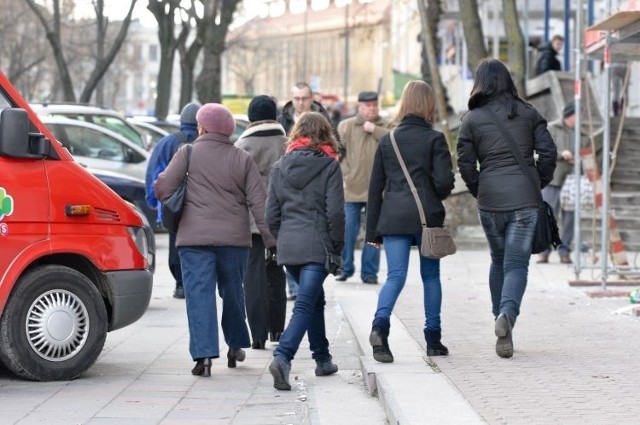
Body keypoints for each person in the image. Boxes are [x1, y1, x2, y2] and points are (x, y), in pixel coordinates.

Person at [154, 103, 275, 377]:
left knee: (199, 295)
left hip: (194, 240)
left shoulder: (188, 152)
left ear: (202, 127)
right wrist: (271, 241)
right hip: (234, 240)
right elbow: (259, 201)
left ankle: (204, 356)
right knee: (233, 292)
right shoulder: (242, 157)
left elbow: (163, 187)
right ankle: (235, 345)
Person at [457, 58, 557, 358]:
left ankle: (501, 323)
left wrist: (479, 188)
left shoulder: (471, 120)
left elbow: (464, 163)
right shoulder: (528, 113)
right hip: (524, 199)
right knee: (516, 265)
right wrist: (538, 181)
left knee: (498, 261)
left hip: (490, 202)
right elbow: (548, 153)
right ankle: (507, 316)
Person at [365, 81, 455, 363]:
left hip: (392, 217)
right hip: (425, 217)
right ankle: (433, 339)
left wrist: (372, 233)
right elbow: (443, 184)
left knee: (395, 276)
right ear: (428, 105)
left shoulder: (387, 140)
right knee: (430, 276)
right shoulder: (435, 139)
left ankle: (380, 328)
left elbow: (375, 187)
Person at [265, 111, 345, 391]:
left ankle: (322, 359)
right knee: (304, 304)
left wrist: (282, 239)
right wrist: (337, 246)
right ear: (326, 135)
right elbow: (335, 213)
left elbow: (271, 215)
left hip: (289, 247)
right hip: (317, 246)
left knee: (314, 300)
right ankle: (283, 357)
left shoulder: (279, 167)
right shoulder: (330, 167)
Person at [235, 95, 288, 348]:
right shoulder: (286, 144)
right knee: (277, 272)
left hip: (250, 220)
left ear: (250, 118)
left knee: (253, 276)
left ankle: (256, 335)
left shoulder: (242, 146)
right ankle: (277, 330)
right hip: (282, 218)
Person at [277, 82, 331, 300]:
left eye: (304, 98)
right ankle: (297, 288)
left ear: (312, 98)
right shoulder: (283, 121)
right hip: (290, 182)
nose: (300, 102)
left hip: (319, 181)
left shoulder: (323, 119)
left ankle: (309, 288)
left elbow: (336, 147)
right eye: (296, 98)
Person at [145, 102, 200, 299]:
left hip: (173, 205)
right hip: (202, 205)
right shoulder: (205, 142)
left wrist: (152, 200)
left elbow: (153, 173)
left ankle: (180, 284)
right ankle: (197, 281)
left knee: (176, 242)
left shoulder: (167, 143)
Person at [336, 91, 392, 284]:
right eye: (367, 106)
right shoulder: (346, 126)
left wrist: (375, 129)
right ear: (359, 107)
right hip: (351, 189)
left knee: (373, 236)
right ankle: (345, 268)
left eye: (374, 105)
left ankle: (369, 273)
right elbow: (338, 154)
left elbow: (395, 141)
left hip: (378, 191)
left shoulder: (386, 125)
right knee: (347, 232)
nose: (372, 109)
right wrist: (346, 173)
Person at [537, 100, 582, 265]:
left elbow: (586, 153)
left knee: (570, 219)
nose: (580, 118)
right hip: (552, 179)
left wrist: (578, 159)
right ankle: (544, 251)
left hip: (571, 180)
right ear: (570, 115)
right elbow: (542, 151)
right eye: (578, 115)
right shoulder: (552, 128)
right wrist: (561, 154)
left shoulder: (581, 133)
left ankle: (564, 251)